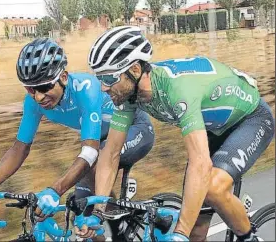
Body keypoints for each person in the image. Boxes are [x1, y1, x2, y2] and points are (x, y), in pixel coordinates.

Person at [74, 26, 274, 241]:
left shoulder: (177, 91)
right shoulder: (129, 96)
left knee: (213, 188)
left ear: (134, 70)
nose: (104, 87)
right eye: (99, 79)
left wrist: (179, 233)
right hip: (214, 129)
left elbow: (200, 163)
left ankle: (249, 238)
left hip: (251, 119)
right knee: (196, 233)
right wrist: (98, 211)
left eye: (109, 78)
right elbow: (110, 154)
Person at [0, 37, 154, 228]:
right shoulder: (33, 103)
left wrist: (55, 191)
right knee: (82, 213)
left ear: (63, 78)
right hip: (102, 139)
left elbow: (90, 152)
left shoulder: (86, 89)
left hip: (136, 129)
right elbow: (20, 148)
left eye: (45, 87)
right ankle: (111, 224)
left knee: (88, 185)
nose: (38, 96)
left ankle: (114, 226)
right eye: (30, 89)